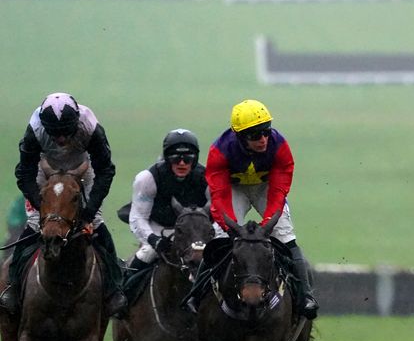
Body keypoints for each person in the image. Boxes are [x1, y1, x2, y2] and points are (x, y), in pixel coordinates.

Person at [181, 99, 318, 319]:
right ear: (240, 137)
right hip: (234, 189)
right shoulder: (219, 151)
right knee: (219, 237)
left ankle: (306, 296)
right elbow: (219, 195)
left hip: (266, 188)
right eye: (255, 135)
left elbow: (279, 189)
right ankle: (197, 295)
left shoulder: (280, 146)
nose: (263, 139)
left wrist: (267, 224)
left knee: (285, 236)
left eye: (266, 131)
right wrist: (231, 228)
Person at [0, 92, 127, 317]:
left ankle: (115, 290)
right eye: (55, 133)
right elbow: (24, 172)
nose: (60, 139)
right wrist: (42, 205)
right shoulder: (35, 129)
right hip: (44, 171)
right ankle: (13, 287)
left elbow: (105, 170)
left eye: (65, 132)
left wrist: (88, 212)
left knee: (96, 223)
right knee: (32, 223)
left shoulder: (90, 126)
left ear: (76, 122)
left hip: (82, 171)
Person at [123, 129, 212, 298]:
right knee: (148, 252)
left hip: (196, 231)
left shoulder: (207, 178)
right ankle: (123, 296)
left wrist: (210, 237)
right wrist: (153, 240)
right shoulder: (148, 178)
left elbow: (219, 214)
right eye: (175, 158)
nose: (181, 163)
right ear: (166, 157)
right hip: (159, 228)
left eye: (188, 158)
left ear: (196, 158)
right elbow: (137, 217)